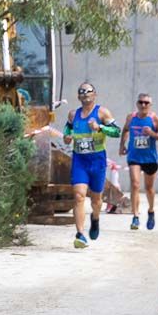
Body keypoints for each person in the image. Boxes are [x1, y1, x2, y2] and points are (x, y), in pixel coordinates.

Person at [62, 82, 120, 249]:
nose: (85, 94)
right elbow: (67, 130)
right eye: (82, 91)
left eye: (88, 91)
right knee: (79, 195)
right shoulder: (73, 115)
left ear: (95, 94)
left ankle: (95, 218)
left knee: (96, 199)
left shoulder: (102, 112)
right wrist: (67, 137)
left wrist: (100, 127)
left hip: (97, 160)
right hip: (80, 160)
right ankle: (80, 234)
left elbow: (116, 131)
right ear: (78, 96)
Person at [119, 92, 158, 230]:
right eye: (141, 102)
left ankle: (151, 211)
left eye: (146, 103)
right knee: (135, 184)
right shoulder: (131, 117)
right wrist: (122, 145)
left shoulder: (154, 119)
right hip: (134, 156)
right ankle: (135, 217)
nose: (143, 105)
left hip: (150, 158)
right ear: (137, 104)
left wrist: (152, 134)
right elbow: (125, 130)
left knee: (149, 188)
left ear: (150, 105)